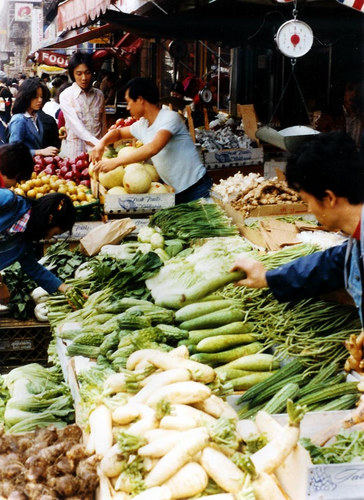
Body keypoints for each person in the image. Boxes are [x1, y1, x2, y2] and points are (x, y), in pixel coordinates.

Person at [230, 131, 364, 327]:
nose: (309, 210)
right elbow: (332, 264)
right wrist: (269, 277)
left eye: (307, 201)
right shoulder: (356, 241)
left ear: (329, 198)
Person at [90, 77, 212, 204]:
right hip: (174, 194)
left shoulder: (170, 117)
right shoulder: (142, 125)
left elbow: (154, 147)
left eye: (129, 102)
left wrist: (115, 162)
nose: (127, 108)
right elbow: (118, 133)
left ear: (140, 100)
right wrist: (101, 143)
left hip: (197, 189)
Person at [0, 189, 76, 305]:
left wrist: (65, 289)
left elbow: (34, 269)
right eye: (54, 234)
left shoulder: (24, 242)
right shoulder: (7, 200)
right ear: (50, 219)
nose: (50, 238)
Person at [59, 51, 107, 158]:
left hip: (97, 154)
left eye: (87, 72)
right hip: (75, 155)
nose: (84, 78)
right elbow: (76, 126)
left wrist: (105, 144)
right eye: (79, 74)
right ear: (72, 74)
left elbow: (103, 124)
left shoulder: (99, 95)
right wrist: (98, 143)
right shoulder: (66, 96)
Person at [8, 77, 60, 157]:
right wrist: (40, 152)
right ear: (26, 96)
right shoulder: (19, 120)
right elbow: (14, 150)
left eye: (41, 97)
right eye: (36, 97)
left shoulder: (35, 116)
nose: (40, 100)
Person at [316, 80, 364, 149]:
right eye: (350, 89)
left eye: (358, 90)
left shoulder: (361, 117)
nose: (354, 94)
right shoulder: (331, 116)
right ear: (343, 92)